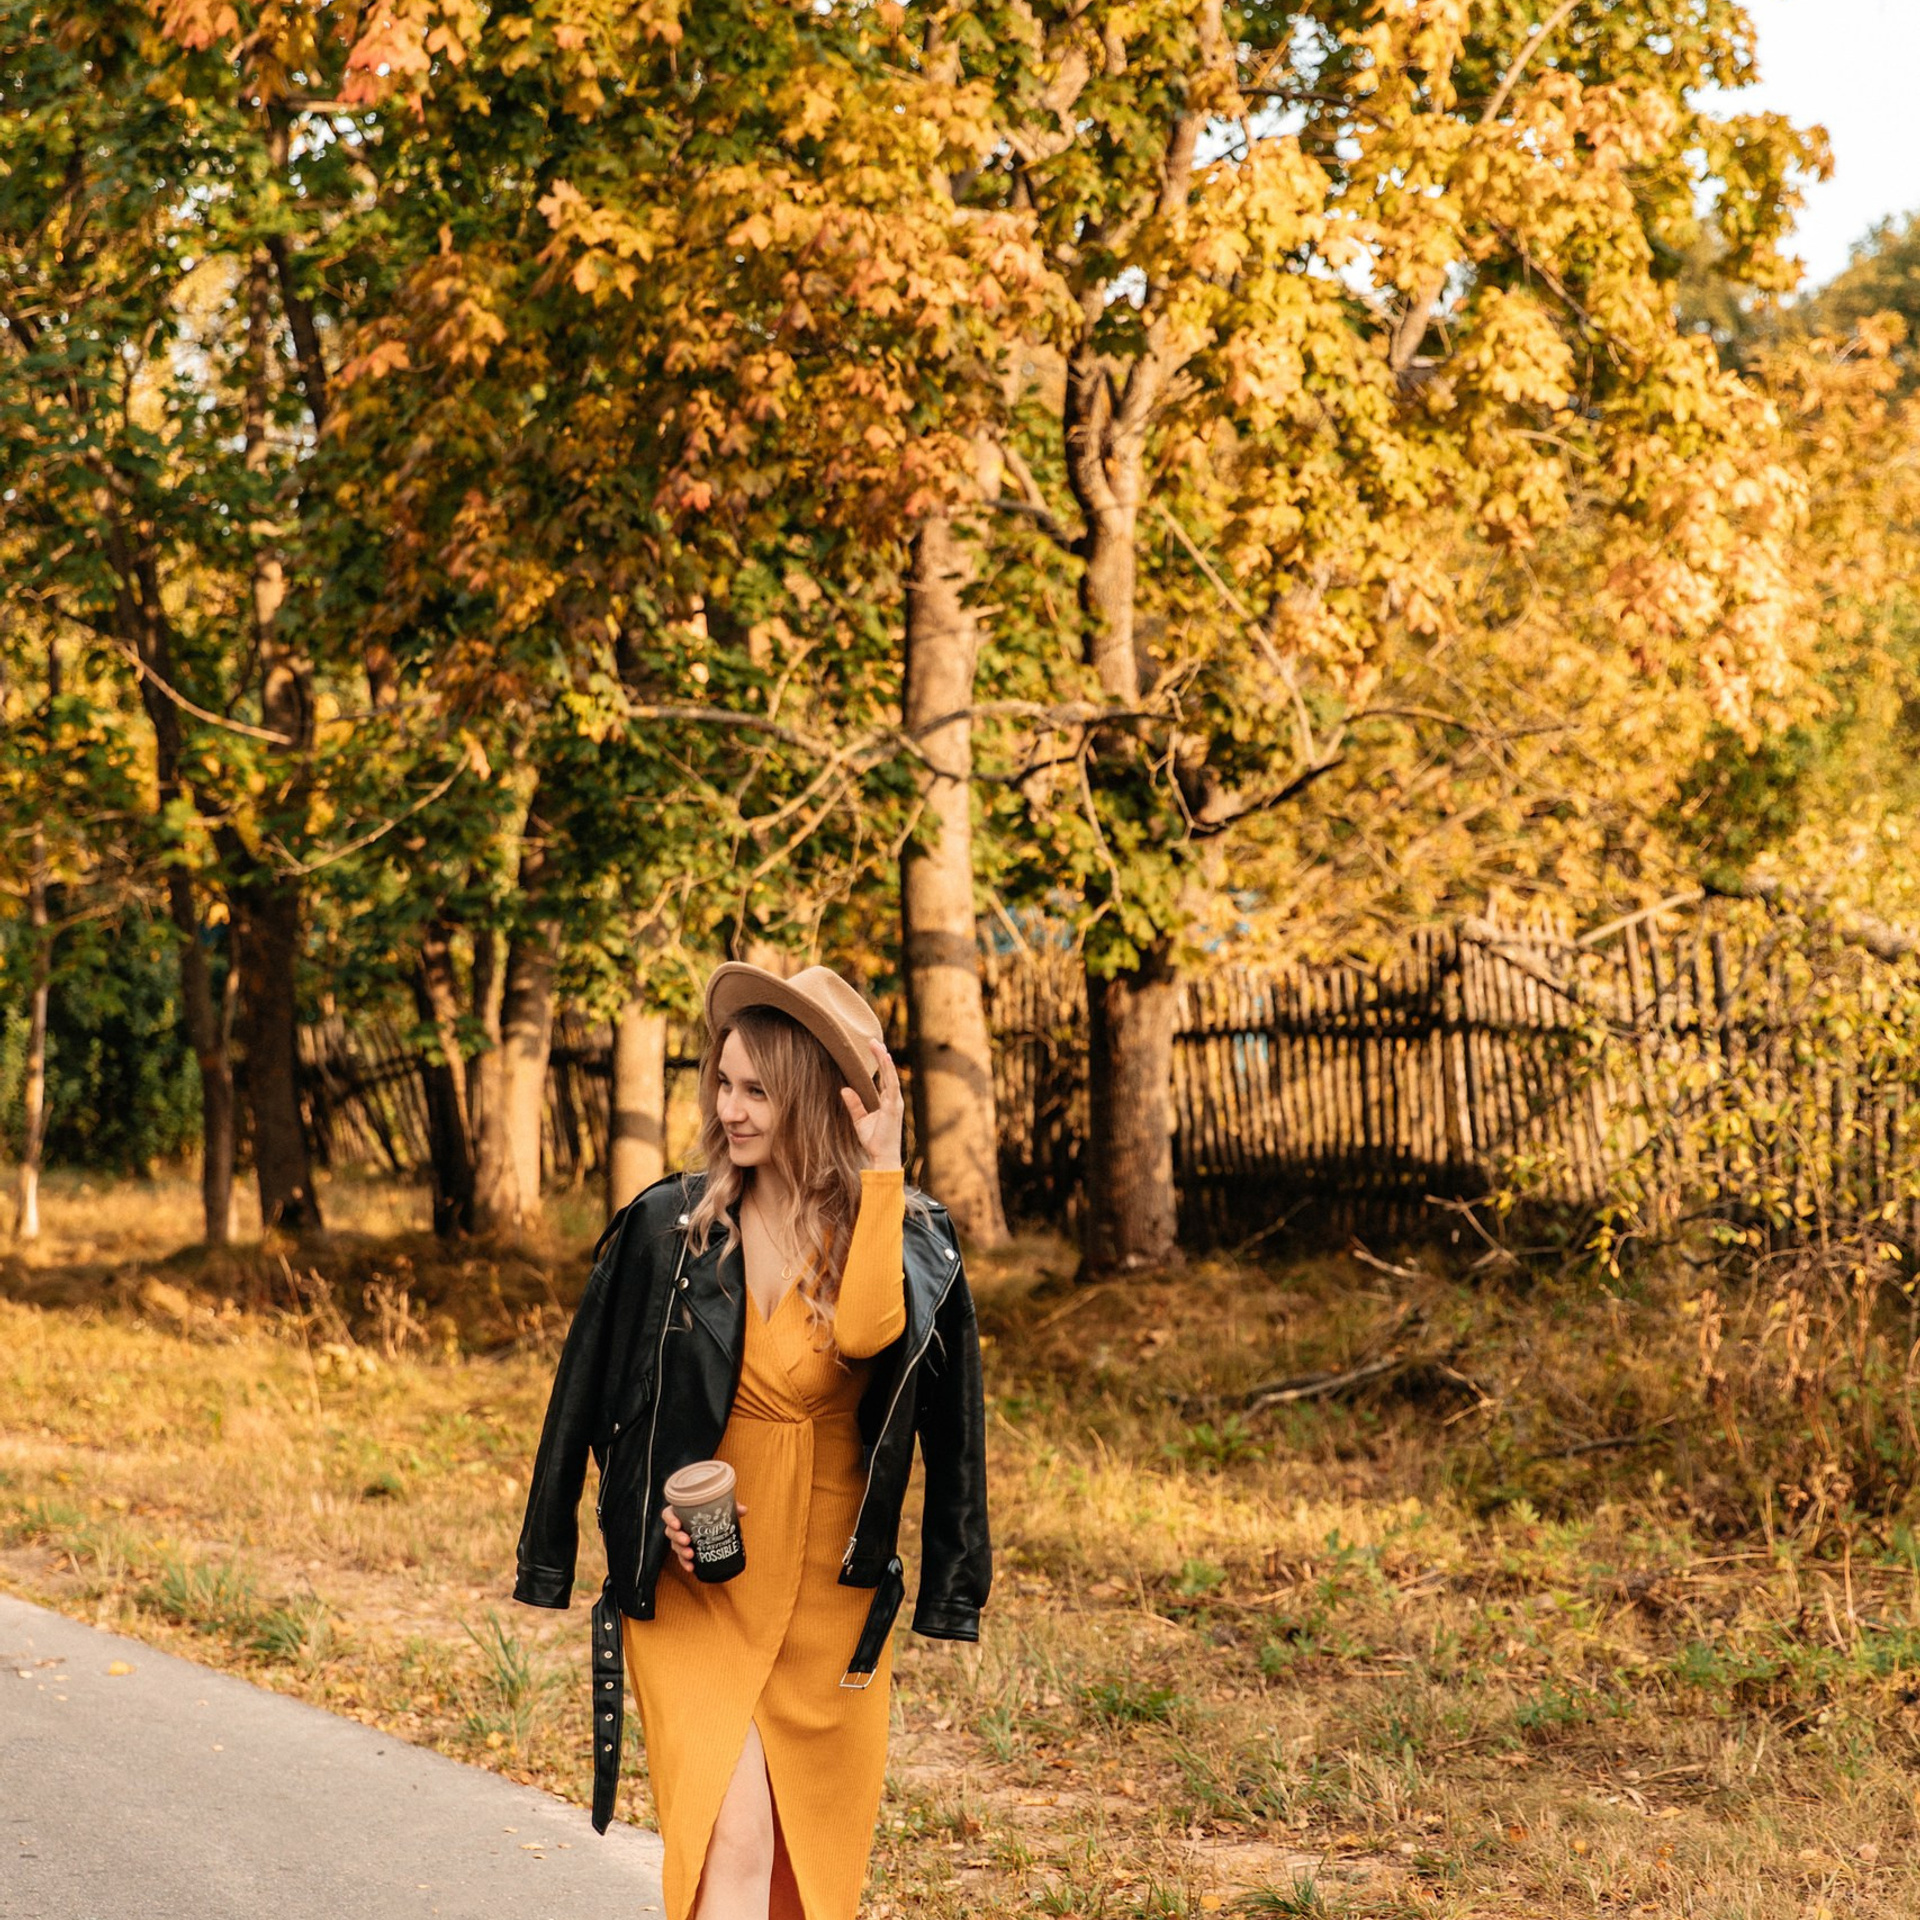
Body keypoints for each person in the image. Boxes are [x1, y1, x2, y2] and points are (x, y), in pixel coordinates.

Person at [514, 962, 991, 1920]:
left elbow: (875, 1348)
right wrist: (619, 1532)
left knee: (805, 1866)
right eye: (722, 1083)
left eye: (757, 1090)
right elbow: (586, 1401)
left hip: (828, 1590)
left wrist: (885, 1165)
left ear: (813, 1096)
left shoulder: (904, 1233)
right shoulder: (672, 1226)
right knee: (732, 1837)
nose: (728, 1109)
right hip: (702, 1578)